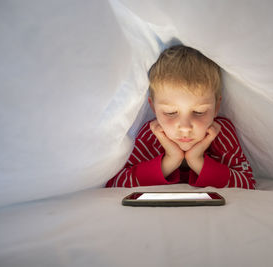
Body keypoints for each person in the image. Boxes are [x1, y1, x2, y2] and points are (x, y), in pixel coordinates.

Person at [105, 45, 255, 189]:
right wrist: (171, 160)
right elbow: (117, 183)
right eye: (170, 113)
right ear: (153, 108)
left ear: (216, 107)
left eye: (199, 112)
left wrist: (197, 161)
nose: (185, 127)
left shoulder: (221, 134)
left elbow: (247, 183)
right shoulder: (152, 135)